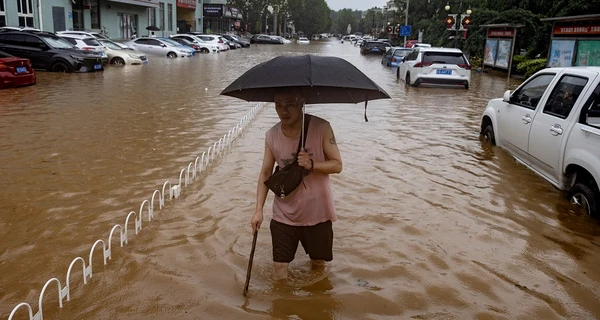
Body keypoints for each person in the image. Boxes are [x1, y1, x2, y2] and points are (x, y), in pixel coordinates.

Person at [251, 88, 343, 281]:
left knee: (318, 266)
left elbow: (337, 165)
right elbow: (266, 172)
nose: (284, 111)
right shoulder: (271, 135)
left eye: (290, 105)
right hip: (284, 213)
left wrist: (312, 164)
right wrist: (258, 210)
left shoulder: (322, 128)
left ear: (302, 102)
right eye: (278, 105)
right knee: (279, 268)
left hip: (318, 212)